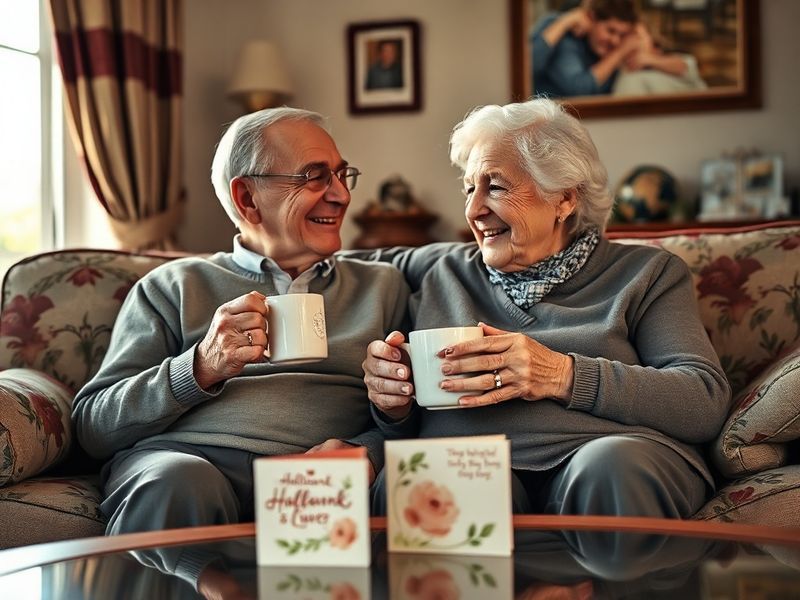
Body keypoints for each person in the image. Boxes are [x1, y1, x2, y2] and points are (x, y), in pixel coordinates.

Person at [72, 107, 409, 592]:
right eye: (315, 177)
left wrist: (367, 452)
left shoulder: (382, 286)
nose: (341, 194)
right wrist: (200, 366)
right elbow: (93, 427)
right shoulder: (174, 285)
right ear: (247, 198)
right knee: (176, 478)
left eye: (341, 174)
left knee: (413, 480)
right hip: (193, 463)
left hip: (322, 472)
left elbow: (414, 415)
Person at [360, 97, 731, 519]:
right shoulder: (439, 272)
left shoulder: (646, 273)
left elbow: (703, 401)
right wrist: (392, 404)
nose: (473, 210)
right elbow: (328, 264)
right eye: (469, 188)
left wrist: (560, 374)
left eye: (495, 187)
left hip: (607, 459)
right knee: (424, 477)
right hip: (466, 464)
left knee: (611, 470)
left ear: (564, 199)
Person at [530, 0, 642, 97]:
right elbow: (578, 89)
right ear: (591, 18)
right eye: (610, 31)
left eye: (622, 35)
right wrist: (619, 53)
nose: (615, 41)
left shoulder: (615, 45)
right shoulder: (567, 36)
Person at [612, 22, 707, 96]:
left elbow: (687, 67)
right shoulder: (625, 75)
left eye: (636, 36)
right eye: (625, 37)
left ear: (652, 40)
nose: (631, 43)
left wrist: (649, 60)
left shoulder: (672, 59)